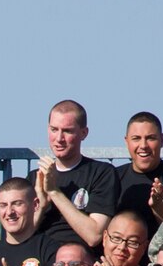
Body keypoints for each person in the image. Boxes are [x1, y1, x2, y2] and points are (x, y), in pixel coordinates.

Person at [34, 100, 118, 253]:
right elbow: (22, 237)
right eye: (54, 129)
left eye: (67, 131)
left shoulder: (102, 173)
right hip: (42, 261)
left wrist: (54, 192)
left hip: (82, 262)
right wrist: (41, 207)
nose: (59, 138)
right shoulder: (36, 176)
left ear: (84, 133)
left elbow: (94, 236)